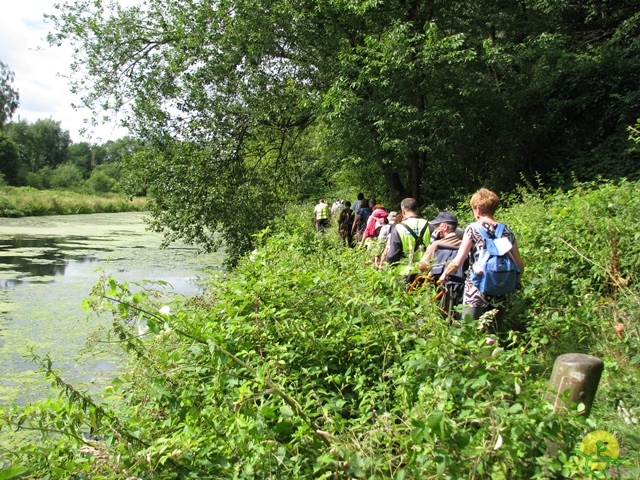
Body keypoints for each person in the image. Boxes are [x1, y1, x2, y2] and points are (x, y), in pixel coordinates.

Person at [439, 188, 524, 334]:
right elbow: (520, 265)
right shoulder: (506, 230)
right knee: (491, 333)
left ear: (478, 210)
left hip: (477, 289)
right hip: (501, 289)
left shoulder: (473, 229)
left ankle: (470, 356)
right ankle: (491, 356)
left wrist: (444, 275)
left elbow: (457, 262)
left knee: (468, 332)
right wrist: (511, 283)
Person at [418, 211, 465, 317]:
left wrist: (431, 245)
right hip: (461, 289)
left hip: (439, 290)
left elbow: (422, 267)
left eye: (437, 226)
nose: (435, 229)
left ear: (444, 227)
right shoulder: (464, 245)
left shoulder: (437, 245)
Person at [385, 198, 429, 284]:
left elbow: (392, 256)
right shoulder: (428, 225)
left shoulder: (398, 228)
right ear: (417, 209)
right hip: (426, 273)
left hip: (405, 274)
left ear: (403, 211)